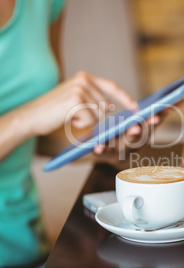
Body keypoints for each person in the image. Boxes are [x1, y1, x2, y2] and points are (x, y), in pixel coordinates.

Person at [0, 0, 157, 266]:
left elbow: (44, 131)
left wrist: (100, 141)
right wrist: (25, 119)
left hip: (29, 245)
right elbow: (34, 118)